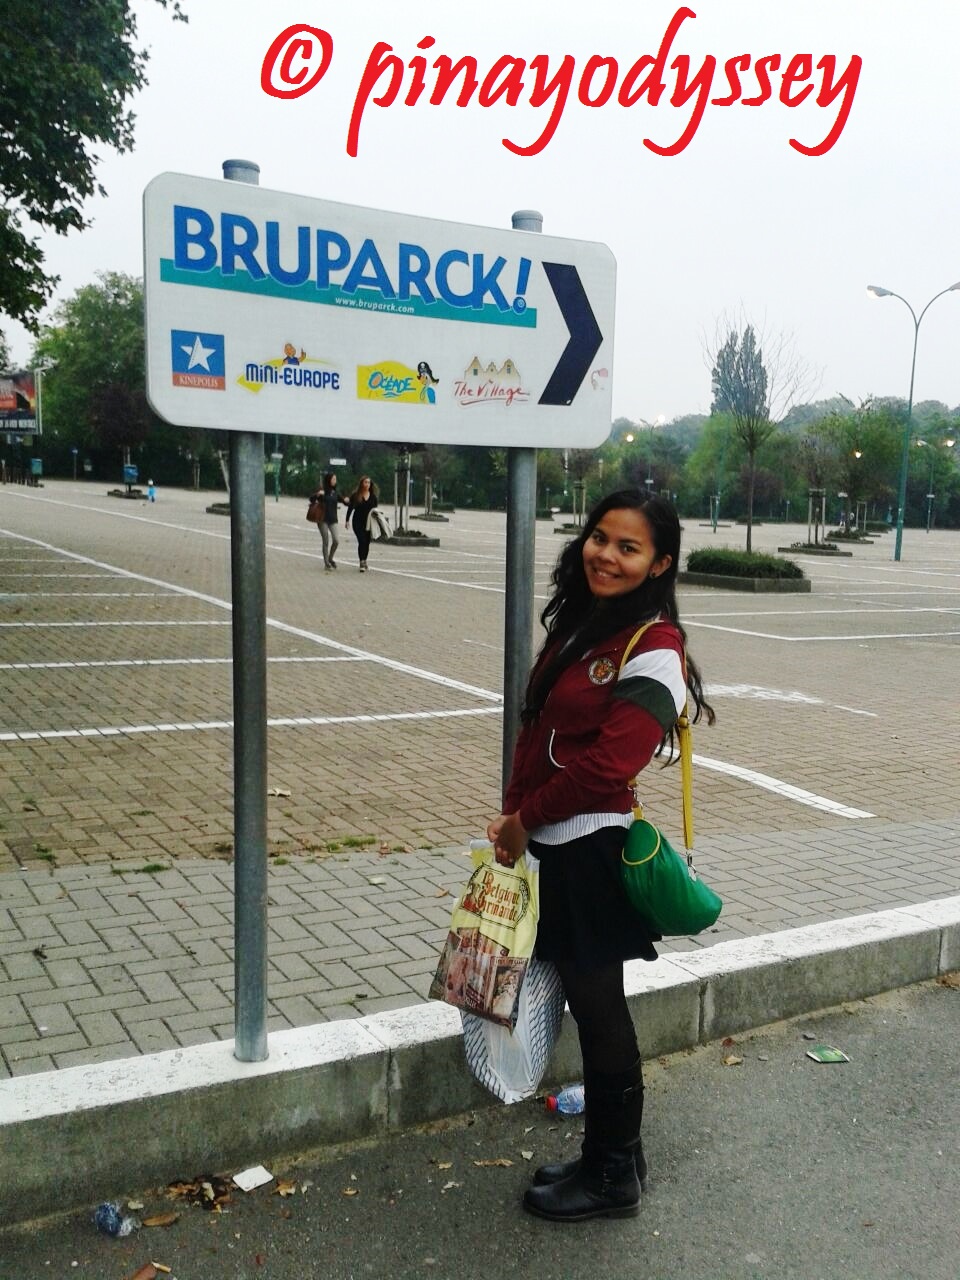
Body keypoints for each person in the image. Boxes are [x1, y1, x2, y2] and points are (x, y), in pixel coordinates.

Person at [486, 491, 714, 1224]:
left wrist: (524, 818)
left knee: (600, 1009)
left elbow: (610, 765)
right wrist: (516, 819)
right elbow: (538, 730)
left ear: (660, 563)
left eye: (628, 547)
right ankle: (618, 1156)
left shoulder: (655, 646)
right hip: (555, 845)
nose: (606, 555)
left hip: (590, 847)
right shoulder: (587, 623)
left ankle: (612, 1174)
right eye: (599, 538)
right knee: (594, 1006)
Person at [310, 472, 345, 571]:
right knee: (325, 541)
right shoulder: (323, 491)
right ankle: (326, 563)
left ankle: (330, 558)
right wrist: (317, 495)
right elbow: (311, 499)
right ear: (328, 480)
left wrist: (347, 500)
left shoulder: (335, 492)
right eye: (333, 479)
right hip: (322, 519)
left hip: (333, 519)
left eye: (335, 479)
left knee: (336, 540)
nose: (335, 481)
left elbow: (343, 500)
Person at [344, 475, 379, 572]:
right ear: (362, 484)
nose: (367, 484)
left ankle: (365, 560)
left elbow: (375, 511)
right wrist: (347, 520)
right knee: (362, 540)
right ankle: (361, 562)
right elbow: (350, 508)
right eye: (365, 482)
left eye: (369, 482)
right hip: (357, 522)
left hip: (369, 523)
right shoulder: (356, 495)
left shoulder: (373, 497)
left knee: (367, 542)